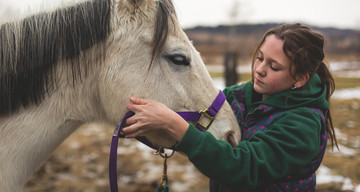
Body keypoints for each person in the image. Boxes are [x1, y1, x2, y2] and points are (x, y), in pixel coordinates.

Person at [122, 23, 338, 192]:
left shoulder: (303, 124)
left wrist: (173, 124)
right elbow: (198, 122)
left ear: (300, 79)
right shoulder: (239, 96)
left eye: (274, 66)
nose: (259, 70)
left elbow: (242, 168)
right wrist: (137, 119)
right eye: (260, 58)